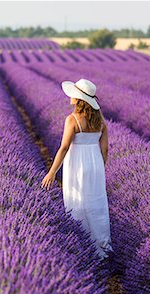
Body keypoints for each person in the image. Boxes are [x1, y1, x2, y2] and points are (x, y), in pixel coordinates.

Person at [40, 78, 113, 261]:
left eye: (73, 95)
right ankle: (102, 250)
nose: (70, 97)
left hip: (77, 165)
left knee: (78, 202)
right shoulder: (100, 120)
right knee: (97, 204)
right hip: (95, 164)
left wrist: (52, 172)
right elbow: (105, 149)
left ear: (79, 99)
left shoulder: (72, 119)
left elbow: (64, 147)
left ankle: (83, 248)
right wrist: (99, 167)